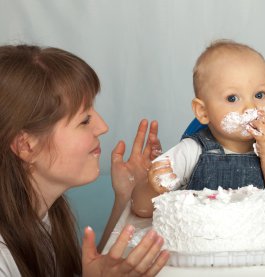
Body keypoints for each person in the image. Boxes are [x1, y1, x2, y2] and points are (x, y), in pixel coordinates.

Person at [0, 44, 169, 276]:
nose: (103, 127)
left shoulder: (40, 214)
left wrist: (125, 196)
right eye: (85, 120)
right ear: (26, 146)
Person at [131, 40, 265, 224]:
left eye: (260, 95)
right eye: (232, 98)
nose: (251, 107)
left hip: (261, 249)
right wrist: (152, 189)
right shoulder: (191, 152)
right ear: (203, 111)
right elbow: (140, 208)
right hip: (201, 247)